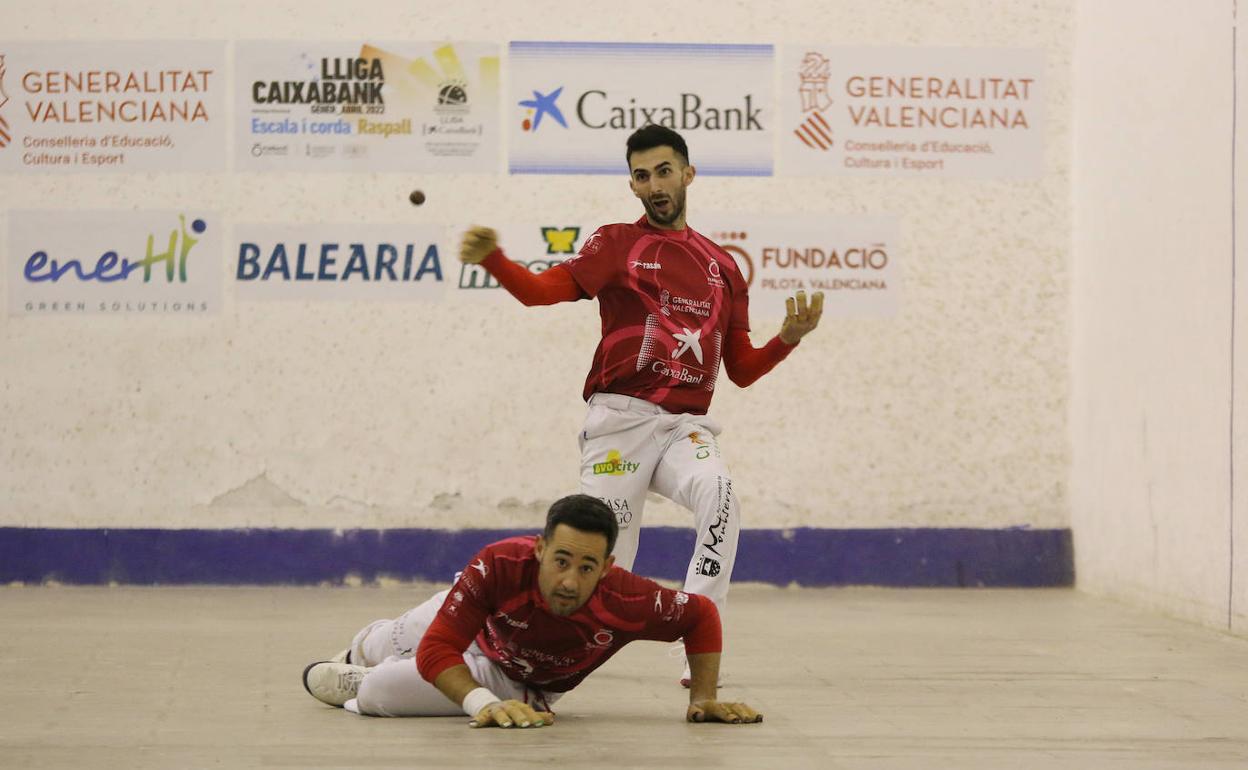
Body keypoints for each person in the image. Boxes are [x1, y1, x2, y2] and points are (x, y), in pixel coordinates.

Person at [457, 125, 823, 683]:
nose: (654, 184)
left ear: (687, 174)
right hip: (619, 425)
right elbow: (540, 292)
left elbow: (742, 371)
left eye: (664, 171)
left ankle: (697, 642)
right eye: (641, 175)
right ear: (632, 184)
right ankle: (470, 652)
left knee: (720, 498)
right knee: (599, 567)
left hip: (685, 428)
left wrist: (788, 338)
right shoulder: (617, 244)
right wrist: (495, 261)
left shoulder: (723, 268)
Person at [302, 494, 761, 727]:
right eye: (561, 561)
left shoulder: (628, 599)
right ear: (539, 549)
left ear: (607, 569)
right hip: (472, 626)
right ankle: (356, 656)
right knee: (389, 641)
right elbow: (440, 647)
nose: (569, 581)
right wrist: (480, 707)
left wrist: (701, 700)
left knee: (382, 692)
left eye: (586, 568)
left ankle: (366, 682)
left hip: (517, 679)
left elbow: (700, 615)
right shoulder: (499, 563)